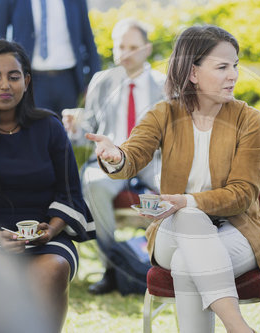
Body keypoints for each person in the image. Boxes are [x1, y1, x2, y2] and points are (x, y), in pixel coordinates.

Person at [86, 25, 260, 332]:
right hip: (171, 232)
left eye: (234, 66)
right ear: (193, 73)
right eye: (222, 67)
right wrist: (116, 157)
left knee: (185, 262)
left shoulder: (248, 119)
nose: (233, 75)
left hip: (239, 232)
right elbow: (133, 154)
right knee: (189, 218)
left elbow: (243, 194)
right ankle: (239, 327)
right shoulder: (163, 114)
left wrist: (185, 201)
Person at [0, 40, 95, 332]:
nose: (5, 85)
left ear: (26, 81)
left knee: (54, 268)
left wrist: (50, 229)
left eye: (13, 76)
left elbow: (69, 194)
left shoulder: (49, 127)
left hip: (43, 235)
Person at [62, 18, 165, 295]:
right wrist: (75, 128)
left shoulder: (163, 84)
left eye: (134, 46)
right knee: (93, 184)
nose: (127, 52)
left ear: (147, 49)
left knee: (174, 187)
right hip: (111, 161)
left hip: (151, 160)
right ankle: (114, 267)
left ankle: (163, 265)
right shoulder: (103, 82)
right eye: (121, 46)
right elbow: (91, 126)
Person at [0, 0, 101, 116]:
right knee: (35, 130)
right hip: (32, 81)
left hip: (68, 80)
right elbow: (0, 38)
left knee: (69, 131)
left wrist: (95, 82)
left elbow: (88, 37)